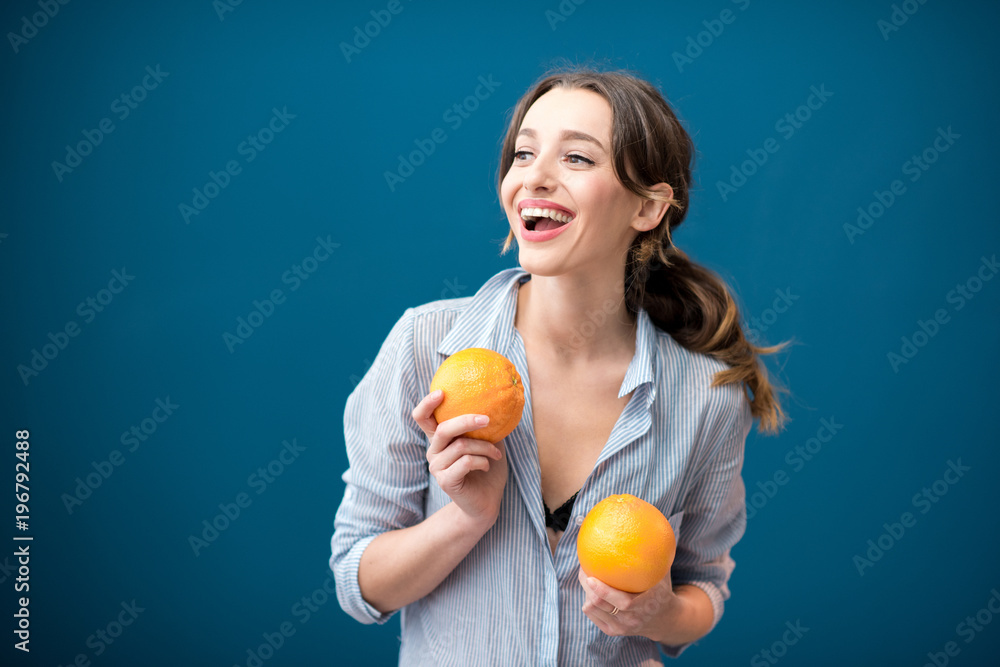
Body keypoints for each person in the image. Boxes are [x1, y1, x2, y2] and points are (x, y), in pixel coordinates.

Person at [331, 66, 786, 665]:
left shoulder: (705, 396)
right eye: (523, 153)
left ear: (648, 207)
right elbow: (357, 585)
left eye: (576, 158)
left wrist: (660, 613)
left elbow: (701, 588)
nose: (534, 177)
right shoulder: (426, 345)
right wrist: (465, 519)